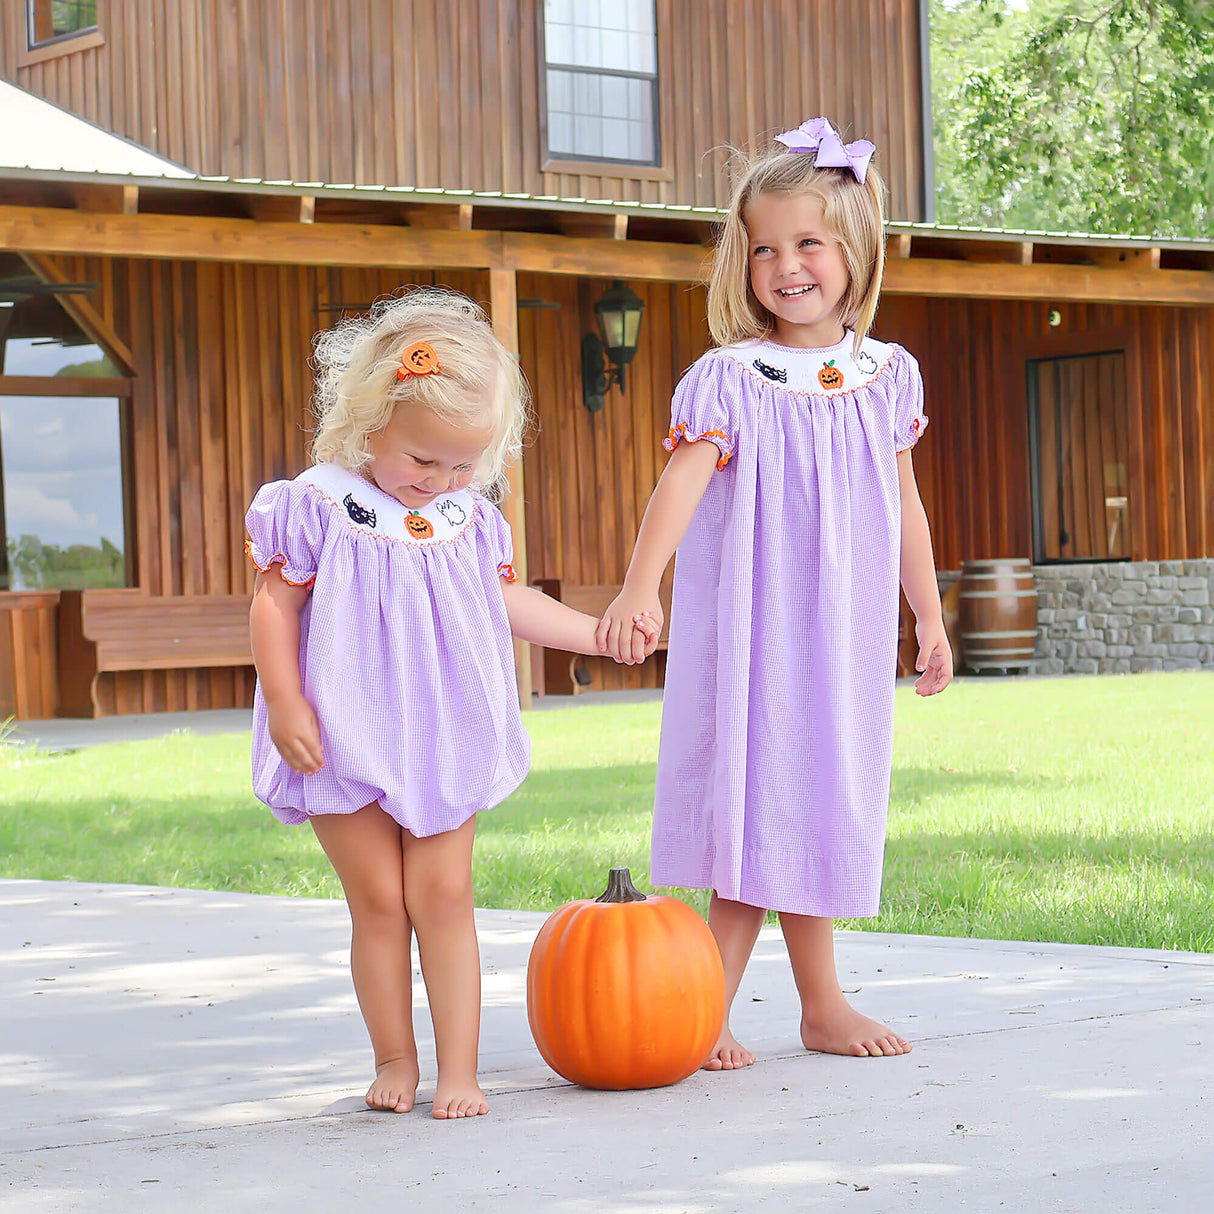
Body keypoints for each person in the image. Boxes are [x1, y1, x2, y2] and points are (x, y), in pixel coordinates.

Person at [247, 288, 656, 1119]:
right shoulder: (318, 503)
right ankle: (395, 1057)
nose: (441, 481)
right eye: (422, 462)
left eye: (463, 464)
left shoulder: (470, 518)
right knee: (379, 904)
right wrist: (285, 699)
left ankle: (460, 1070)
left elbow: (510, 604)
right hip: (341, 731)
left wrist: (594, 632)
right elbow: (274, 603)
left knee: (445, 899)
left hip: (442, 733)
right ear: (367, 428)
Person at [597, 117, 953, 1067]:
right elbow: (680, 484)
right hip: (757, 626)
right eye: (763, 247)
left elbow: (906, 504)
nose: (786, 264)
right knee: (757, 805)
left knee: (820, 801)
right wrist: (641, 587)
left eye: (808, 243)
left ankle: (818, 1004)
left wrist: (928, 613)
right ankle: (702, 1007)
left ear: (854, 252)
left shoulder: (887, 377)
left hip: (844, 631)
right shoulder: (730, 378)